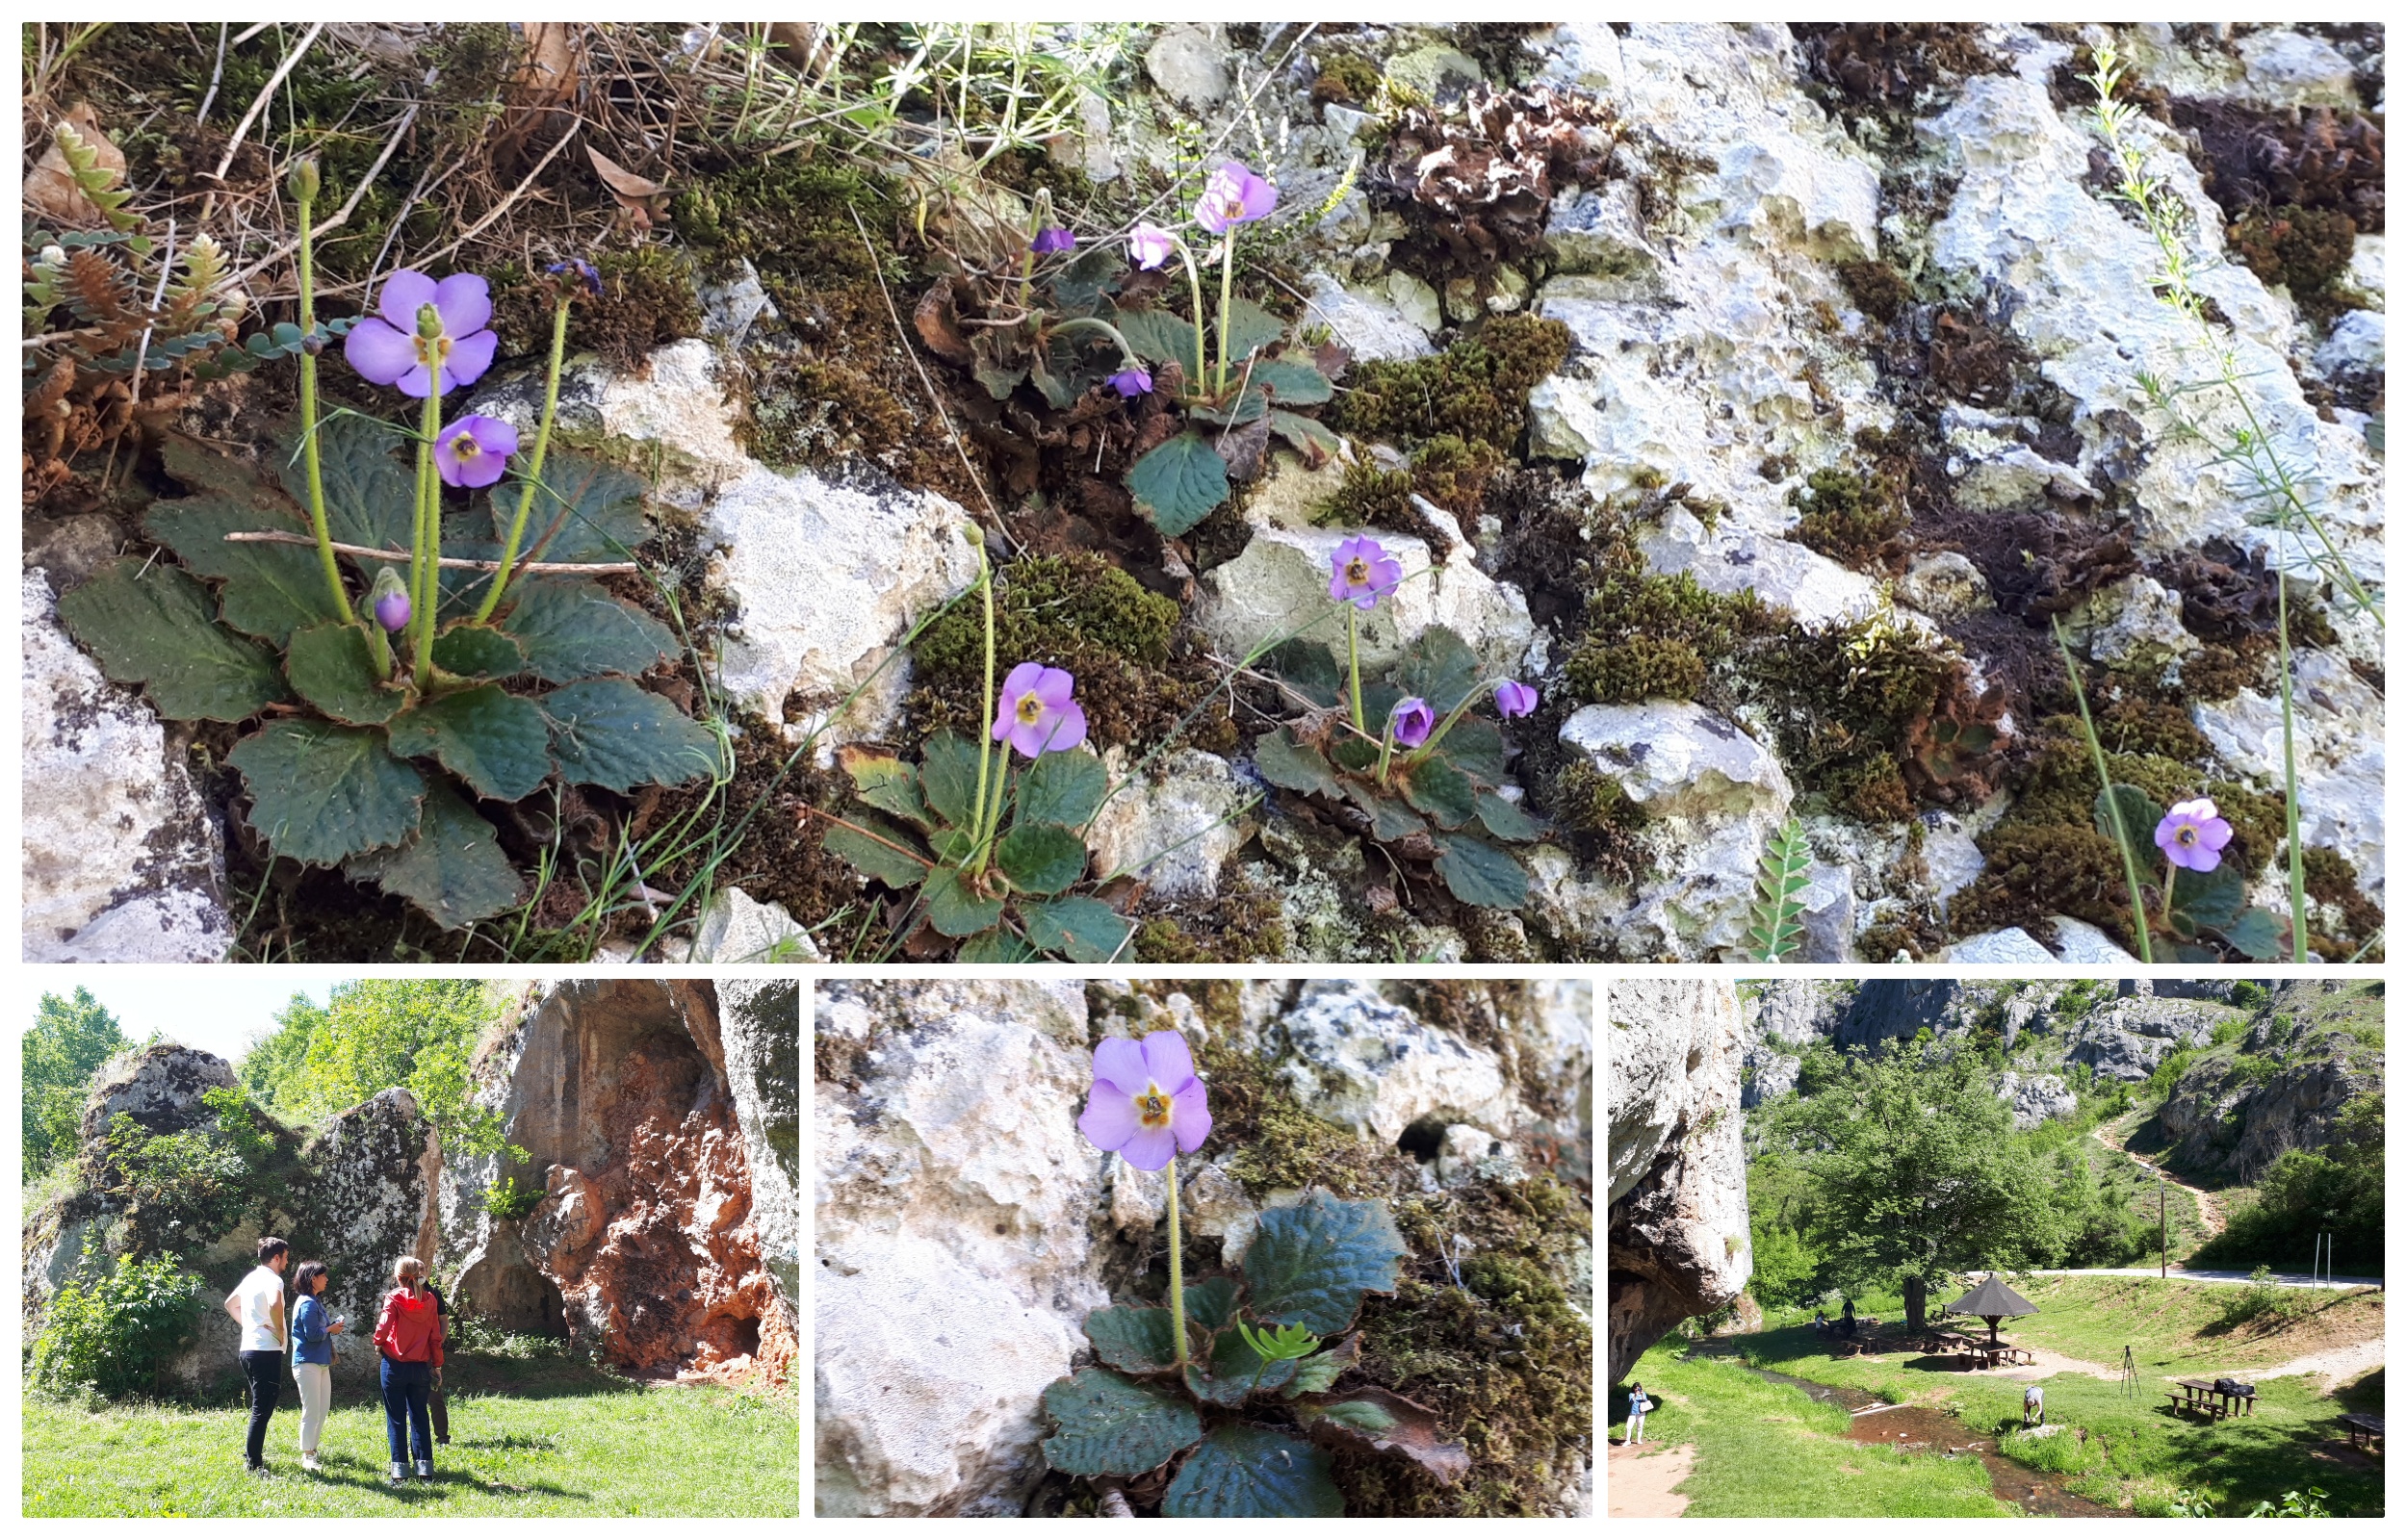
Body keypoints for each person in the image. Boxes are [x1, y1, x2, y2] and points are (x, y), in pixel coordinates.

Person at [373, 1256, 445, 1482]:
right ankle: (426, 1472)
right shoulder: (431, 1300)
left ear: (398, 1276)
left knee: (396, 1418)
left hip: (394, 1365)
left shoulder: (393, 1298)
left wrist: (378, 1343)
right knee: (420, 1417)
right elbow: (435, 1337)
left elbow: (383, 1329)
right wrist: (438, 1365)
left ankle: (400, 1475)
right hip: (420, 1367)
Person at [225, 1237, 290, 1474]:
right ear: (276, 1258)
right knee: (262, 1408)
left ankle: (251, 1453)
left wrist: (249, 1326)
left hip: (248, 1350)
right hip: (265, 1351)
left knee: (260, 1405)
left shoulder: (251, 1278)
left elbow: (230, 1304)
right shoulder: (273, 1279)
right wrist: (280, 1332)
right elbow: (275, 1305)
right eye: (285, 1258)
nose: (286, 1263)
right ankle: (254, 1463)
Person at [289, 1261, 348, 1472]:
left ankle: (312, 1449)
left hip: (320, 1363)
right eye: (323, 1275)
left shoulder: (315, 1301)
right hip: (307, 1362)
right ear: (313, 1278)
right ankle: (307, 1455)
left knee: (322, 1409)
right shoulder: (307, 1303)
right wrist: (331, 1329)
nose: (327, 1279)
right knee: (312, 1409)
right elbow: (312, 1335)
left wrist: (332, 1328)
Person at [423, 1275, 452, 1446]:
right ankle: (415, 1437)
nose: (420, 1274)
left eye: (423, 1270)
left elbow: (443, 1320)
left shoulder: (433, 1293)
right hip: (409, 1354)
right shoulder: (402, 1294)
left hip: (429, 1352)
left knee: (435, 1396)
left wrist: (437, 1344)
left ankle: (442, 1437)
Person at [1624, 1382, 1653, 1446]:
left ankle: (1639, 1440)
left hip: (1641, 1412)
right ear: (1633, 1388)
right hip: (1633, 1412)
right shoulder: (1631, 1394)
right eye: (1636, 1389)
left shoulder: (1643, 1393)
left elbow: (1645, 1401)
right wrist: (1636, 1395)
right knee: (1628, 1427)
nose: (1637, 1390)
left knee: (1640, 1426)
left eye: (1638, 1388)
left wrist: (1642, 1394)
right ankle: (1628, 1440)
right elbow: (1631, 1401)